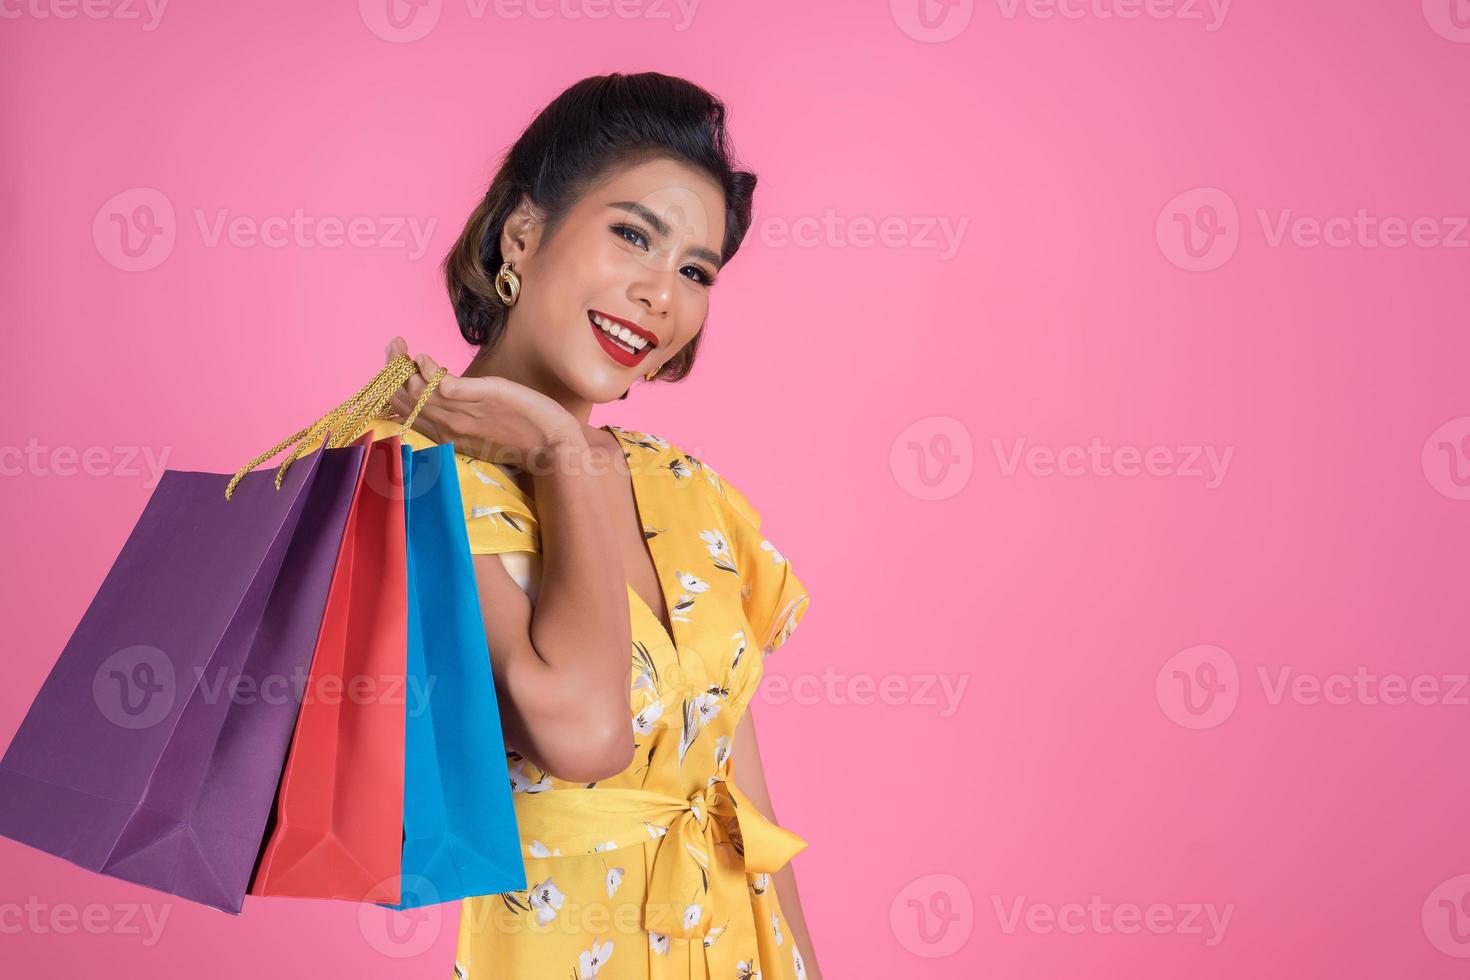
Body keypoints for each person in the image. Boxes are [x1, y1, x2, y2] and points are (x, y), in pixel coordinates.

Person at [369, 71, 819, 980]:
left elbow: (739, 795)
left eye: (695, 271)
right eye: (633, 236)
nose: (662, 294)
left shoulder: (691, 490)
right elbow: (580, 735)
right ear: (523, 235)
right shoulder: (412, 479)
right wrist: (554, 452)